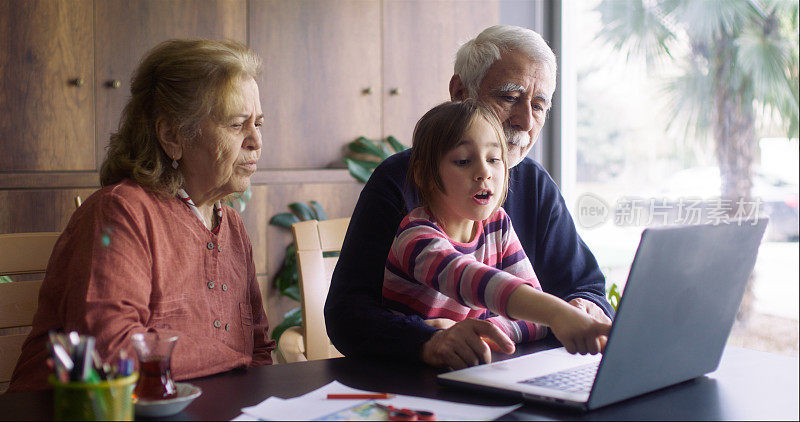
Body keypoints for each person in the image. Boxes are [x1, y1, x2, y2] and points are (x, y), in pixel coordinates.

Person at [325, 25, 614, 368]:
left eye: (538, 106)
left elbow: (585, 289)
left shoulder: (522, 197)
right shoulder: (405, 198)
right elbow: (347, 314)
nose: (524, 121)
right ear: (460, 92)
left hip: (500, 374)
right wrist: (429, 340)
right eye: (509, 98)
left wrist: (575, 312)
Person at [9, 39, 274, 391]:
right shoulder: (120, 212)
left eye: (258, 123)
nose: (255, 140)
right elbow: (109, 351)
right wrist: (230, 357)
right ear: (172, 135)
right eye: (237, 124)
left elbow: (258, 350)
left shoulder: (233, 226)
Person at [383, 100, 610, 369]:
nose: (484, 173)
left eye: (494, 159)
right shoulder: (415, 235)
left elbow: (534, 320)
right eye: (464, 161)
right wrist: (557, 313)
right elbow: (472, 279)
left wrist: (478, 332)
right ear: (425, 175)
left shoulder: (498, 224)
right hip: (405, 377)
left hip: (466, 372)